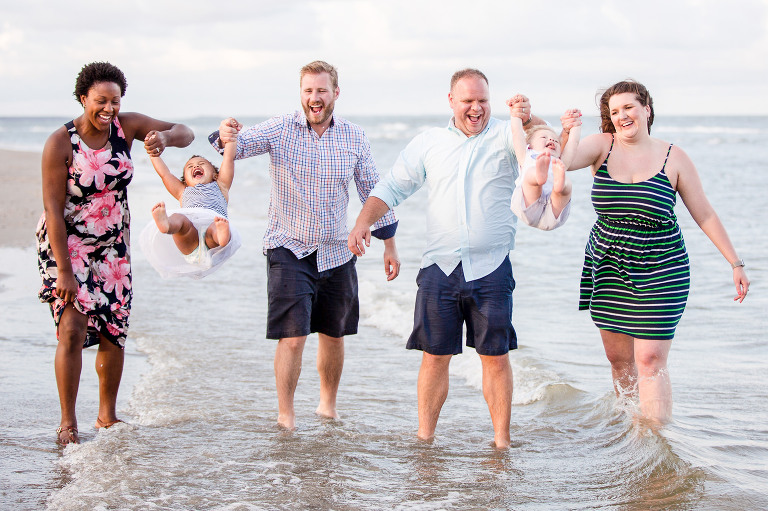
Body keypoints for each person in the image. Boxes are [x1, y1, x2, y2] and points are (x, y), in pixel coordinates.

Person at [348, 68, 565, 448]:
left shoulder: (506, 134)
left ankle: (502, 442)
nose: (476, 108)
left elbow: (543, 142)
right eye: (468, 101)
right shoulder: (429, 142)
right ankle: (425, 439)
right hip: (439, 268)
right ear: (451, 101)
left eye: (483, 100)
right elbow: (394, 186)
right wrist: (364, 222)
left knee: (495, 357)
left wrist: (529, 115)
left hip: (492, 268)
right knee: (434, 357)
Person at [210, 60, 400, 430]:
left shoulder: (354, 137)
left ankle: (327, 406)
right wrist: (226, 132)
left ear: (335, 93)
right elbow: (237, 144)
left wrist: (389, 244)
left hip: (337, 250)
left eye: (321, 90)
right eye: (308, 91)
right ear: (301, 94)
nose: (315, 98)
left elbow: (373, 191)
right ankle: (286, 415)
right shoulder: (282, 128)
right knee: (293, 337)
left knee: (333, 333)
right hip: (288, 246)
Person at [568, 79, 750, 425]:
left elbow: (705, 213)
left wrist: (735, 263)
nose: (622, 116)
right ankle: (629, 431)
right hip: (608, 263)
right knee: (619, 360)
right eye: (614, 111)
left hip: (662, 265)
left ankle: (655, 441)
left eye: (629, 108)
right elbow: (561, 160)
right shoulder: (601, 146)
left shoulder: (674, 157)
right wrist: (542, 127)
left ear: (646, 109)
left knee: (650, 358)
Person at [37, 61, 194, 445]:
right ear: (83, 98)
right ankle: (67, 423)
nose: (108, 109)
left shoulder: (127, 125)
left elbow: (185, 132)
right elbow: (53, 212)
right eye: (100, 101)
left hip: (113, 247)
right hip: (67, 244)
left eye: (115, 101)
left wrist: (163, 139)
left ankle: (107, 416)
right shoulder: (61, 143)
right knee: (72, 330)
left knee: (113, 328)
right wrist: (64, 271)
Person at [139, 142, 242, 279]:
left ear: (216, 175)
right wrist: (153, 154)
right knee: (180, 219)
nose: (196, 166)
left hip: (213, 246)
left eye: (202, 164)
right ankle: (168, 225)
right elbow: (165, 174)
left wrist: (231, 139)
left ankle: (221, 237)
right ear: (185, 181)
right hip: (190, 244)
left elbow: (228, 159)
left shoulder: (221, 186)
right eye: (190, 166)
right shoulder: (183, 191)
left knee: (214, 227)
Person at [508, 99, 582, 230]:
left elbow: (573, 144)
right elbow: (516, 133)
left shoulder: (559, 160)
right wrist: (515, 114)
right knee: (530, 175)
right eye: (544, 137)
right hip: (529, 203)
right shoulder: (526, 155)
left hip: (553, 210)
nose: (552, 139)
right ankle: (538, 177)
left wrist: (575, 125)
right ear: (529, 145)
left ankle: (560, 187)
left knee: (567, 186)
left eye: (555, 140)